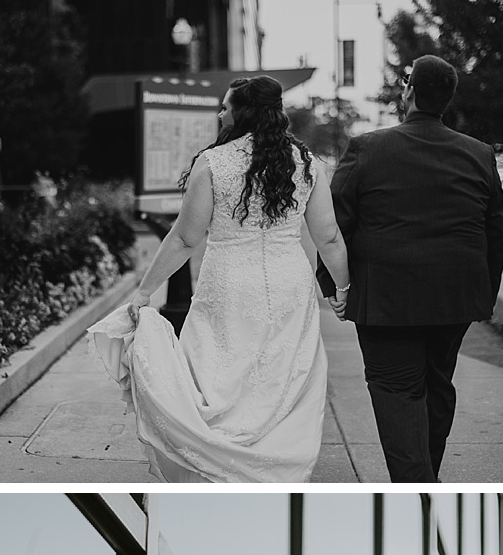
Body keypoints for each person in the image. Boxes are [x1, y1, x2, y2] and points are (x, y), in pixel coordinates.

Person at [85, 74, 350, 482]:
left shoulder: (214, 163)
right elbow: (328, 235)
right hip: (288, 283)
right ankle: (273, 464)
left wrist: (145, 292)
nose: (220, 112)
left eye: (226, 106)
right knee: (281, 375)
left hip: (228, 281)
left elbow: (187, 237)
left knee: (216, 374)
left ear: (242, 112)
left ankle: (215, 457)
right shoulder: (307, 164)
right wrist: (342, 288)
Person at [331, 56, 503, 481]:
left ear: (408, 92)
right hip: (455, 298)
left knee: (396, 391)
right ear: (446, 101)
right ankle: (426, 476)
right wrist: (482, 294)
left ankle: (417, 485)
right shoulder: (479, 154)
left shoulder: (367, 148)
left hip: (386, 300)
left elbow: (335, 222)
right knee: (436, 385)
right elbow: (497, 230)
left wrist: (338, 285)